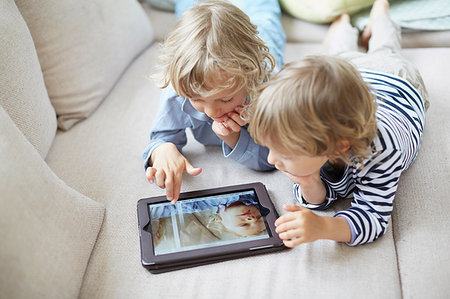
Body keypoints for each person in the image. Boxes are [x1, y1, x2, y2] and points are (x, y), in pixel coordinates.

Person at [247, 0, 428, 247]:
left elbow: (373, 217)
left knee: (385, 47)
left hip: (396, 80)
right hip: (356, 78)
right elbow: (323, 195)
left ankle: (381, 12)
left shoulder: (383, 151)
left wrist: (324, 226)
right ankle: (343, 23)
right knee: (339, 56)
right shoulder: (315, 137)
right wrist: (310, 181)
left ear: (339, 146)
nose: (271, 160)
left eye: (284, 152)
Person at [143, 0, 286, 204]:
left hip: (264, 38)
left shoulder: (269, 91)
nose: (211, 111)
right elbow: (161, 137)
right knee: (189, 9)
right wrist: (162, 149)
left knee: (264, 15)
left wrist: (233, 137)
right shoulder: (181, 87)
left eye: (226, 98)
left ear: (250, 78)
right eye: (196, 99)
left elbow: (272, 158)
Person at [151, 195, 267, 253]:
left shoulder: (195, 206)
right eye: (259, 217)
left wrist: (155, 226)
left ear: (218, 220)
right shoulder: (253, 197)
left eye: (244, 225)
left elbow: (166, 207)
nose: (252, 219)